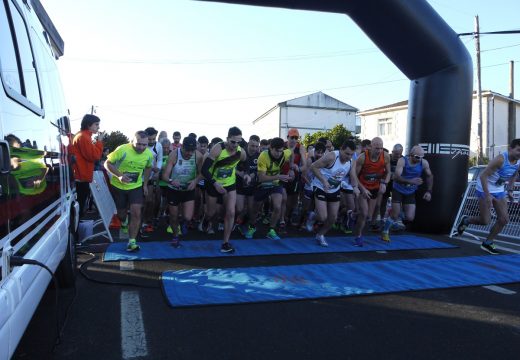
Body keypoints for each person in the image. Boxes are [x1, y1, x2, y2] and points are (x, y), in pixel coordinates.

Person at [457, 139, 520, 254]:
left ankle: (487, 243)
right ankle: (467, 219)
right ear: (510, 149)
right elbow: (482, 175)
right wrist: (487, 195)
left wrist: (510, 190)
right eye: (518, 150)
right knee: (485, 221)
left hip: (499, 190)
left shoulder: (518, 162)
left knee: (504, 219)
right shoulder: (501, 159)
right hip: (484, 188)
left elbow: (514, 174)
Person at [201, 127, 250, 253]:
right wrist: (215, 183)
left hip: (229, 184)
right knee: (211, 213)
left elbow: (246, 162)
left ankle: (225, 243)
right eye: (233, 142)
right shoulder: (218, 149)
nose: (236, 145)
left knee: (231, 212)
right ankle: (206, 219)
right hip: (213, 183)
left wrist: (246, 174)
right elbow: (204, 170)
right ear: (227, 139)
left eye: (239, 142)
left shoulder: (240, 151)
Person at [104, 131, 153, 252]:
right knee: (121, 214)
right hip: (118, 186)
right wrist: (119, 175)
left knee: (136, 212)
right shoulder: (123, 149)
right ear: (132, 141)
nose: (141, 147)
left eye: (144, 145)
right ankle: (124, 222)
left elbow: (148, 168)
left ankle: (132, 242)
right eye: (138, 144)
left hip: (135, 186)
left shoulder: (148, 154)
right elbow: (107, 163)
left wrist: (145, 184)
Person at [241, 137, 293, 240]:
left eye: (280, 151)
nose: (279, 153)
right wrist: (278, 176)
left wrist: (291, 168)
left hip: (275, 183)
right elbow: (261, 177)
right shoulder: (263, 156)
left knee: (278, 206)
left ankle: (271, 230)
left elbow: (291, 153)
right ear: (270, 148)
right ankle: (252, 226)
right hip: (262, 184)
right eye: (276, 151)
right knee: (255, 209)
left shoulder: (285, 153)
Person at [310, 140, 358, 246]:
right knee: (323, 217)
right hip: (320, 186)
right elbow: (313, 166)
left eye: (351, 154)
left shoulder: (351, 161)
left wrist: (355, 187)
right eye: (346, 153)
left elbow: (353, 175)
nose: (348, 157)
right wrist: (323, 180)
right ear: (341, 149)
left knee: (333, 218)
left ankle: (320, 235)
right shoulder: (331, 157)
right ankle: (313, 216)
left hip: (334, 189)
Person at [381, 145, 433, 242]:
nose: (419, 159)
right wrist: (411, 181)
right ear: (411, 155)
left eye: (421, 157)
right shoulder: (403, 161)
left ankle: (392, 211)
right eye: (417, 157)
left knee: (410, 217)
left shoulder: (424, 163)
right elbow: (396, 177)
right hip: (398, 190)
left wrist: (429, 191)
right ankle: (385, 231)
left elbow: (430, 176)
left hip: (410, 192)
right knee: (395, 215)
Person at [162, 136, 202, 247]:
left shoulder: (198, 156)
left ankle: (181, 223)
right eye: (187, 150)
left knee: (188, 217)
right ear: (182, 147)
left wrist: (195, 181)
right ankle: (175, 236)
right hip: (174, 190)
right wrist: (171, 181)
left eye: (192, 151)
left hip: (188, 189)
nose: (189, 153)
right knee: (174, 216)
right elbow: (164, 175)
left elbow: (202, 173)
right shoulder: (174, 154)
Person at [351, 137, 390, 246]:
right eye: (377, 148)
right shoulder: (362, 158)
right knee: (364, 213)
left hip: (375, 188)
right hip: (362, 187)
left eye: (381, 148)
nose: (379, 151)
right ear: (371, 147)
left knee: (368, 216)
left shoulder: (385, 156)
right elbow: (354, 175)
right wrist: (361, 188)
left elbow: (388, 173)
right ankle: (358, 236)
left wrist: (384, 183)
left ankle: (353, 215)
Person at [71, 114, 105, 216]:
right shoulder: (83, 137)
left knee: (80, 207)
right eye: (96, 124)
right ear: (89, 125)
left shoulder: (83, 136)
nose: (98, 127)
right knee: (80, 208)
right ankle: (77, 230)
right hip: (81, 177)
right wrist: (99, 142)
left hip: (81, 176)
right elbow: (94, 156)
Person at [281, 128, 306, 228]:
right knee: (284, 199)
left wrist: (297, 168)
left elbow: (305, 166)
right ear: (288, 137)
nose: (294, 140)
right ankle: (282, 219)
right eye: (292, 137)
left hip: (294, 177)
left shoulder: (300, 148)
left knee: (293, 202)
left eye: (296, 138)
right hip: (282, 175)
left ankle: (287, 217)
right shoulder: (282, 146)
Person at [142, 127, 163, 234]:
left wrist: (157, 170)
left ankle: (146, 222)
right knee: (136, 202)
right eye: (149, 139)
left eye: (153, 139)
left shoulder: (158, 145)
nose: (151, 142)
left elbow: (159, 159)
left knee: (149, 200)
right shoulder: (139, 144)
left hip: (150, 177)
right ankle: (134, 219)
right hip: (137, 177)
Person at [235, 135, 260, 228]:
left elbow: (261, 170)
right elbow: (231, 167)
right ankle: (237, 218)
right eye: (252, 145)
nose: (254, 148)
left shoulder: (259, 155)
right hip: (240, 184)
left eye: (256, 146)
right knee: (239, 208)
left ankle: (247, 225)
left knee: (251, 209)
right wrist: (240, 174)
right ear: (248, 143)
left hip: (252, 186)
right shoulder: (240, 152)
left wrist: (253, 175)